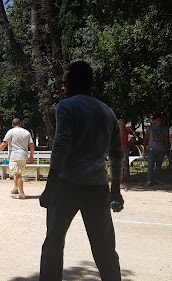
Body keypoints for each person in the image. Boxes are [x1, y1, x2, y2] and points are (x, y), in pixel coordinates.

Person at [39, 61, 124, 281]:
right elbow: (117, 155)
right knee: (105, 248)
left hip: (67, 185)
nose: (62, 87)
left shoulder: (66, 106)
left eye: (65, 83)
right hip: (97, 188)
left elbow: (62, 145)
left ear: (74, 84)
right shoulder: (108, 112)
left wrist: (49, 186)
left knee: (54, 244)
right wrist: (115, 190)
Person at [0, 118, 34, 199]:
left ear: (12, 125)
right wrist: (31, 156)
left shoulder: (11, 132)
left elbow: (4, 143)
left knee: (18, 174)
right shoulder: (26, 132)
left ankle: (22, 193)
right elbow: (31, 144)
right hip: (23, 156)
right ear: (21, 124)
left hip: (15, 156)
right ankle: (16, 189)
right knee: (17, 173)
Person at [143, 114, 169, 186]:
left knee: (158, 166)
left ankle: (157, 179)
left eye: (160, 121)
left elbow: (166, 139)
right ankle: (149, 180)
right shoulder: (150, 128)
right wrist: (145, 148)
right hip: (152, 149)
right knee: (150, 165)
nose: (159, 122)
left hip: (161, 149)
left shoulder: (164, 129)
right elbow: (146, 138)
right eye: (158, 120)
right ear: (154, 120)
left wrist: (167, 149)